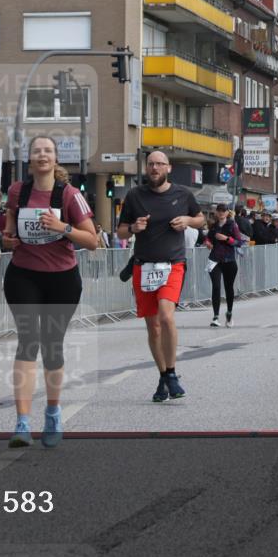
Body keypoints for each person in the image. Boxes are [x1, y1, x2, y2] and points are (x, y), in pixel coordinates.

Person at [1, 135, 96, 449]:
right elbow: (9, 231)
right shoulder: (18, 191)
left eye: (48, 151)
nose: (42, 155)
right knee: (28, 342)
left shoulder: (70, 195)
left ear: (56, 160)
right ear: (29, 159)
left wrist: (62, 228)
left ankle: (53, 412)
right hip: (23, 274)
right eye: (36, 150)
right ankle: (22, 423)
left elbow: (92, 240)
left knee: (52, 346)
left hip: (61, 279)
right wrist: (9, 239)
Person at [117, 151, 204, 404]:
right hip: (143, 267)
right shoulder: (135, 195)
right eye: (151, 164)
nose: (154, 168)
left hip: (172, 265)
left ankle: (173, 373)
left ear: (169, 167)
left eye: (159, 164)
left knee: (166, 317)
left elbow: (200, 219)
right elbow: (121, 231)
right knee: (153, 327)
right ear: (146, 168)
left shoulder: (182, 194)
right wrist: (133, 228)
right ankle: (163, 376)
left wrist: (187, 219)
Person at [205, 204, 243, 327]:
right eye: (219, 211)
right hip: (215, 260)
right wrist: (208, 243)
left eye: (223, 211)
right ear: (216, 212)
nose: (221, 213)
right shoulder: (214, 226)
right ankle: (215, 317)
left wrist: (226, 239)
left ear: (227, 213)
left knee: (228, 288)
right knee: (216, 287)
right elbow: (207, 238)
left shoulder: (232, 225)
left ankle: (229, 313)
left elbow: (239, 242)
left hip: (229, 261)